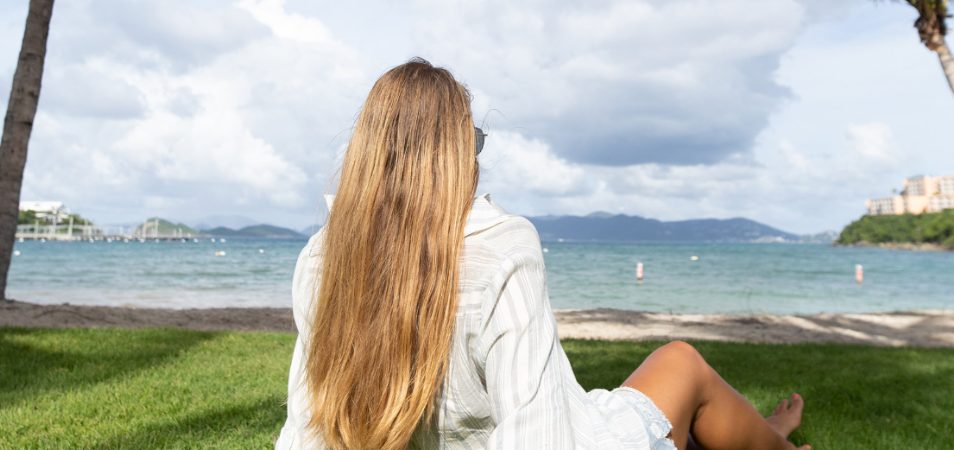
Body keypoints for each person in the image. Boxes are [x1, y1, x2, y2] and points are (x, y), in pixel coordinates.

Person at [276, 58, 809, 450]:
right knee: (681, 362)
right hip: (572, 437)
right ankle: (772, 446)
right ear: (456, 157)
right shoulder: (502, 247)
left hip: (547, 419)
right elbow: (539, 437)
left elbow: (306, 424)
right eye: (475, 141)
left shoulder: (323, 258)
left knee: (654, 388)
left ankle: (757, 434)